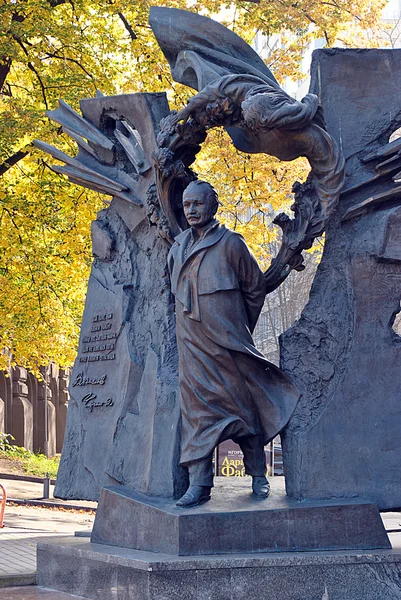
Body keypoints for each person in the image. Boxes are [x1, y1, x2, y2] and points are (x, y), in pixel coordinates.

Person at [168, 180, 299, 507]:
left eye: (198, 204)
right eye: (187, 205)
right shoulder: (177, 247)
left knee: (244, 410)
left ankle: (257, 474)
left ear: (213, 206)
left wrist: (239, 327)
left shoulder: (231, 244)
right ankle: (199, 485)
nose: (192, 210)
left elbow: (255, 289)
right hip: (192, 350)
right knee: (196, 415)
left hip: (228, 346)